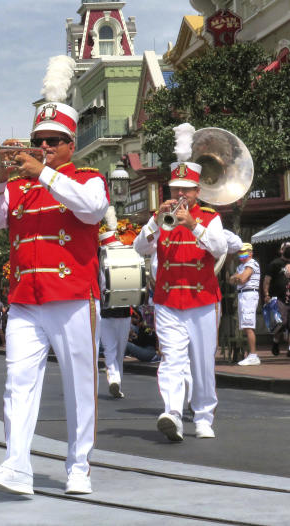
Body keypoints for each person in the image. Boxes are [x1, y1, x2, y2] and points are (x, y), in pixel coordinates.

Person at [0, 70, 108, 496]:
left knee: (79, 384)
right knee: (18, 384)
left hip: (72, 298)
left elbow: (92, 209)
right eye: (39, 140)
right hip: (26, 301)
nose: (44, 147)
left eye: (53, 141)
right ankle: (17, 466)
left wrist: (43, 173)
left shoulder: (87, 178)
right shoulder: (18, 188)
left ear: (71, 144)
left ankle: (79, 465)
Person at [133, 133, 227, 442]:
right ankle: (172, 412)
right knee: (172, 359)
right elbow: (139, 249)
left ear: (197, 191)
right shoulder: (161, 219)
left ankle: (203, 416)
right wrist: (155, 223)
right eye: (176, 188)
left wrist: (192, 224)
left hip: (202, 300)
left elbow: (218, 246)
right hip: (168, 300)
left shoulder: (210, 218)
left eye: (186, 189)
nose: (181, 194)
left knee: (201, 362)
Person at [98, 218, 132, 398]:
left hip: (108, 310)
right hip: (122, 309)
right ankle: (115, 381)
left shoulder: (100, 254)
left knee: (112, 349)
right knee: (117, 350)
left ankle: (115, 380)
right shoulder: (125, 253)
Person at [231, 243, 261, 365]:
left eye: (243, 251)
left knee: (248, 325)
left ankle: (253, 355)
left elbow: (242, 279)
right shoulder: (240, 266)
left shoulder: (252, 263)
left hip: (249, 294)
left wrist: (238, 277)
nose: (241, 254)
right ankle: (252, 354)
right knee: (245, 325)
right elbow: (230, 279)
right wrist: (238, 277)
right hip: (242, 294)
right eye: (240, 252)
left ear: (250, 252)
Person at [262, 241, 290, 356]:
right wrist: (266, 294)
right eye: (287, 247)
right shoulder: (275, 263)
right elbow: (267, 280)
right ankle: (275, 342)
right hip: (279, 298)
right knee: (282, 322)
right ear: (281, 250)